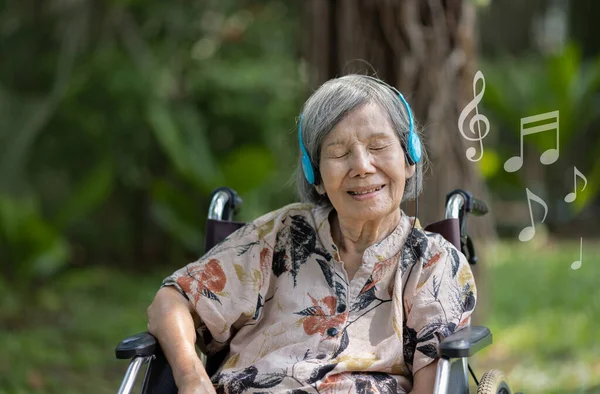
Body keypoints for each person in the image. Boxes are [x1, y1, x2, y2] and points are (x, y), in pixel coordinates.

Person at [147, 74, 477, 394]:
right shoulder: (277, 235)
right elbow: (172, 301)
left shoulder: (433, 263)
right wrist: (191, 376)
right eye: (338, 152)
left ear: (410, 158)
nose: (361, 166)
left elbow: (434, 385)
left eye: (378, 146)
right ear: (315, 174)